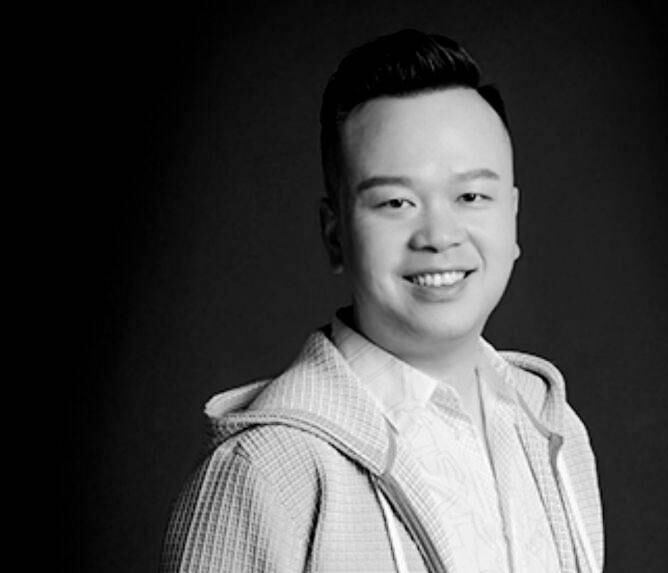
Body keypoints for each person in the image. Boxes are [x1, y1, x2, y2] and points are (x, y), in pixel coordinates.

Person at [161, 29, 603, 573]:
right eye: (395, 202)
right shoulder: (265, 469)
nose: (439, 235)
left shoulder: (553, 431)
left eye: (471, 196)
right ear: (334, 234)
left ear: (511, 216)